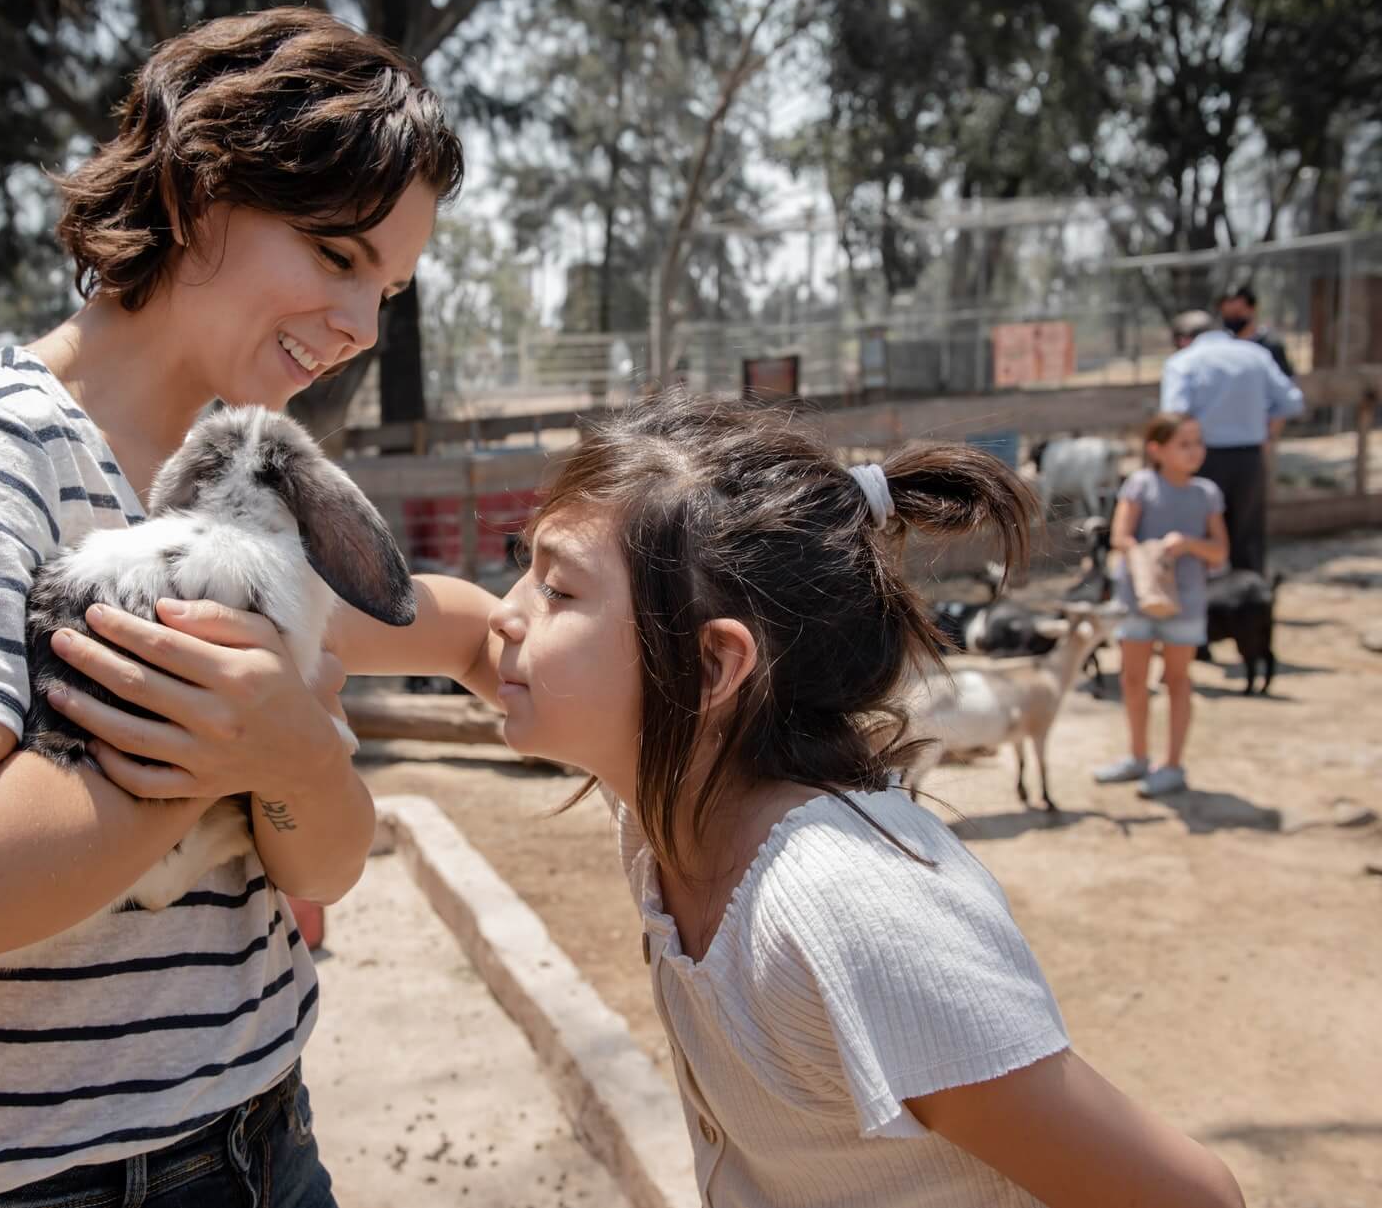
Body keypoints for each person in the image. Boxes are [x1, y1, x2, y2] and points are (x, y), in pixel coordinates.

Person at [0, 8, 464, 1208]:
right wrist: (222, 754)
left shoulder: (244, 479)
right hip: (37, 1183)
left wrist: (299, 756)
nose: (366, 325)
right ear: (198, 189)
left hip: (262, 1125)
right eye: (337, 254)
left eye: (392, 286)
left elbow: (324, 857)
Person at [336, 390, 1247, 1208]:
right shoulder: (676, 787)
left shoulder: (846, 906)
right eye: (526, 570)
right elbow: (461, 638)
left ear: (712, 664)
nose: (509, 611)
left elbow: (1188, 1197)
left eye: (559, 585)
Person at [1092, 413, 1229, 797]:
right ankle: (1137, 756)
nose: (1194, 451)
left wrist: (1187, 543)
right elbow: (1121, 536)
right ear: (1158, 449)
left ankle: (1171, 765)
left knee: (1177, 680)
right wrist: (1150, 556)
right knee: (1133, 680)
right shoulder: (1140, 485)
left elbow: (1219, 550)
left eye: (1197, 443)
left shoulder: (1207, 494)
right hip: (1137, 600)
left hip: (1185, 602)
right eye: (1184, 444)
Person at [1159, 308, 1304, 575]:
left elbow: (1175, 415)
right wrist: (1267, 433)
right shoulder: (1256, 355)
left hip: (1200, 462)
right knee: (1247, 537)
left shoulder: (1183, 362)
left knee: (1200, 536)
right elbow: (1292, 402)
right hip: (1250, 460)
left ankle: (1207, 609)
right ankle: (1250, 606)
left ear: (1183, 339)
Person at [1216, 284, 1293, 378]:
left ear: (1252, 309)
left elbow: (1285, 381)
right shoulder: (1222, 346)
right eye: (1226, 314)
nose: (1231, 318)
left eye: (1236, 313)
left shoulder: (1271, 346)